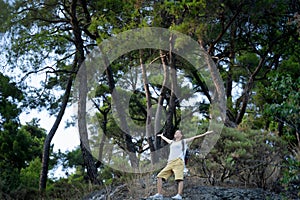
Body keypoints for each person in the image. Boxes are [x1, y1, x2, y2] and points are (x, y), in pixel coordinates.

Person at [149, 130, 214, 200]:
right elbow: (166, 139)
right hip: (170, 162)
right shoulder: (172, 142)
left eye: (178, 133)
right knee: (159, 176)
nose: (177, 134)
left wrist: (205, 134)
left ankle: (179, 195)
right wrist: (162, 136)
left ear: (181, 135)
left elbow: (195, 137)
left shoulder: (183, 141)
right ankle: (159, 194)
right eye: (176, 133)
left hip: (178, 162)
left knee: (179, 178)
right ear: (174, 136)